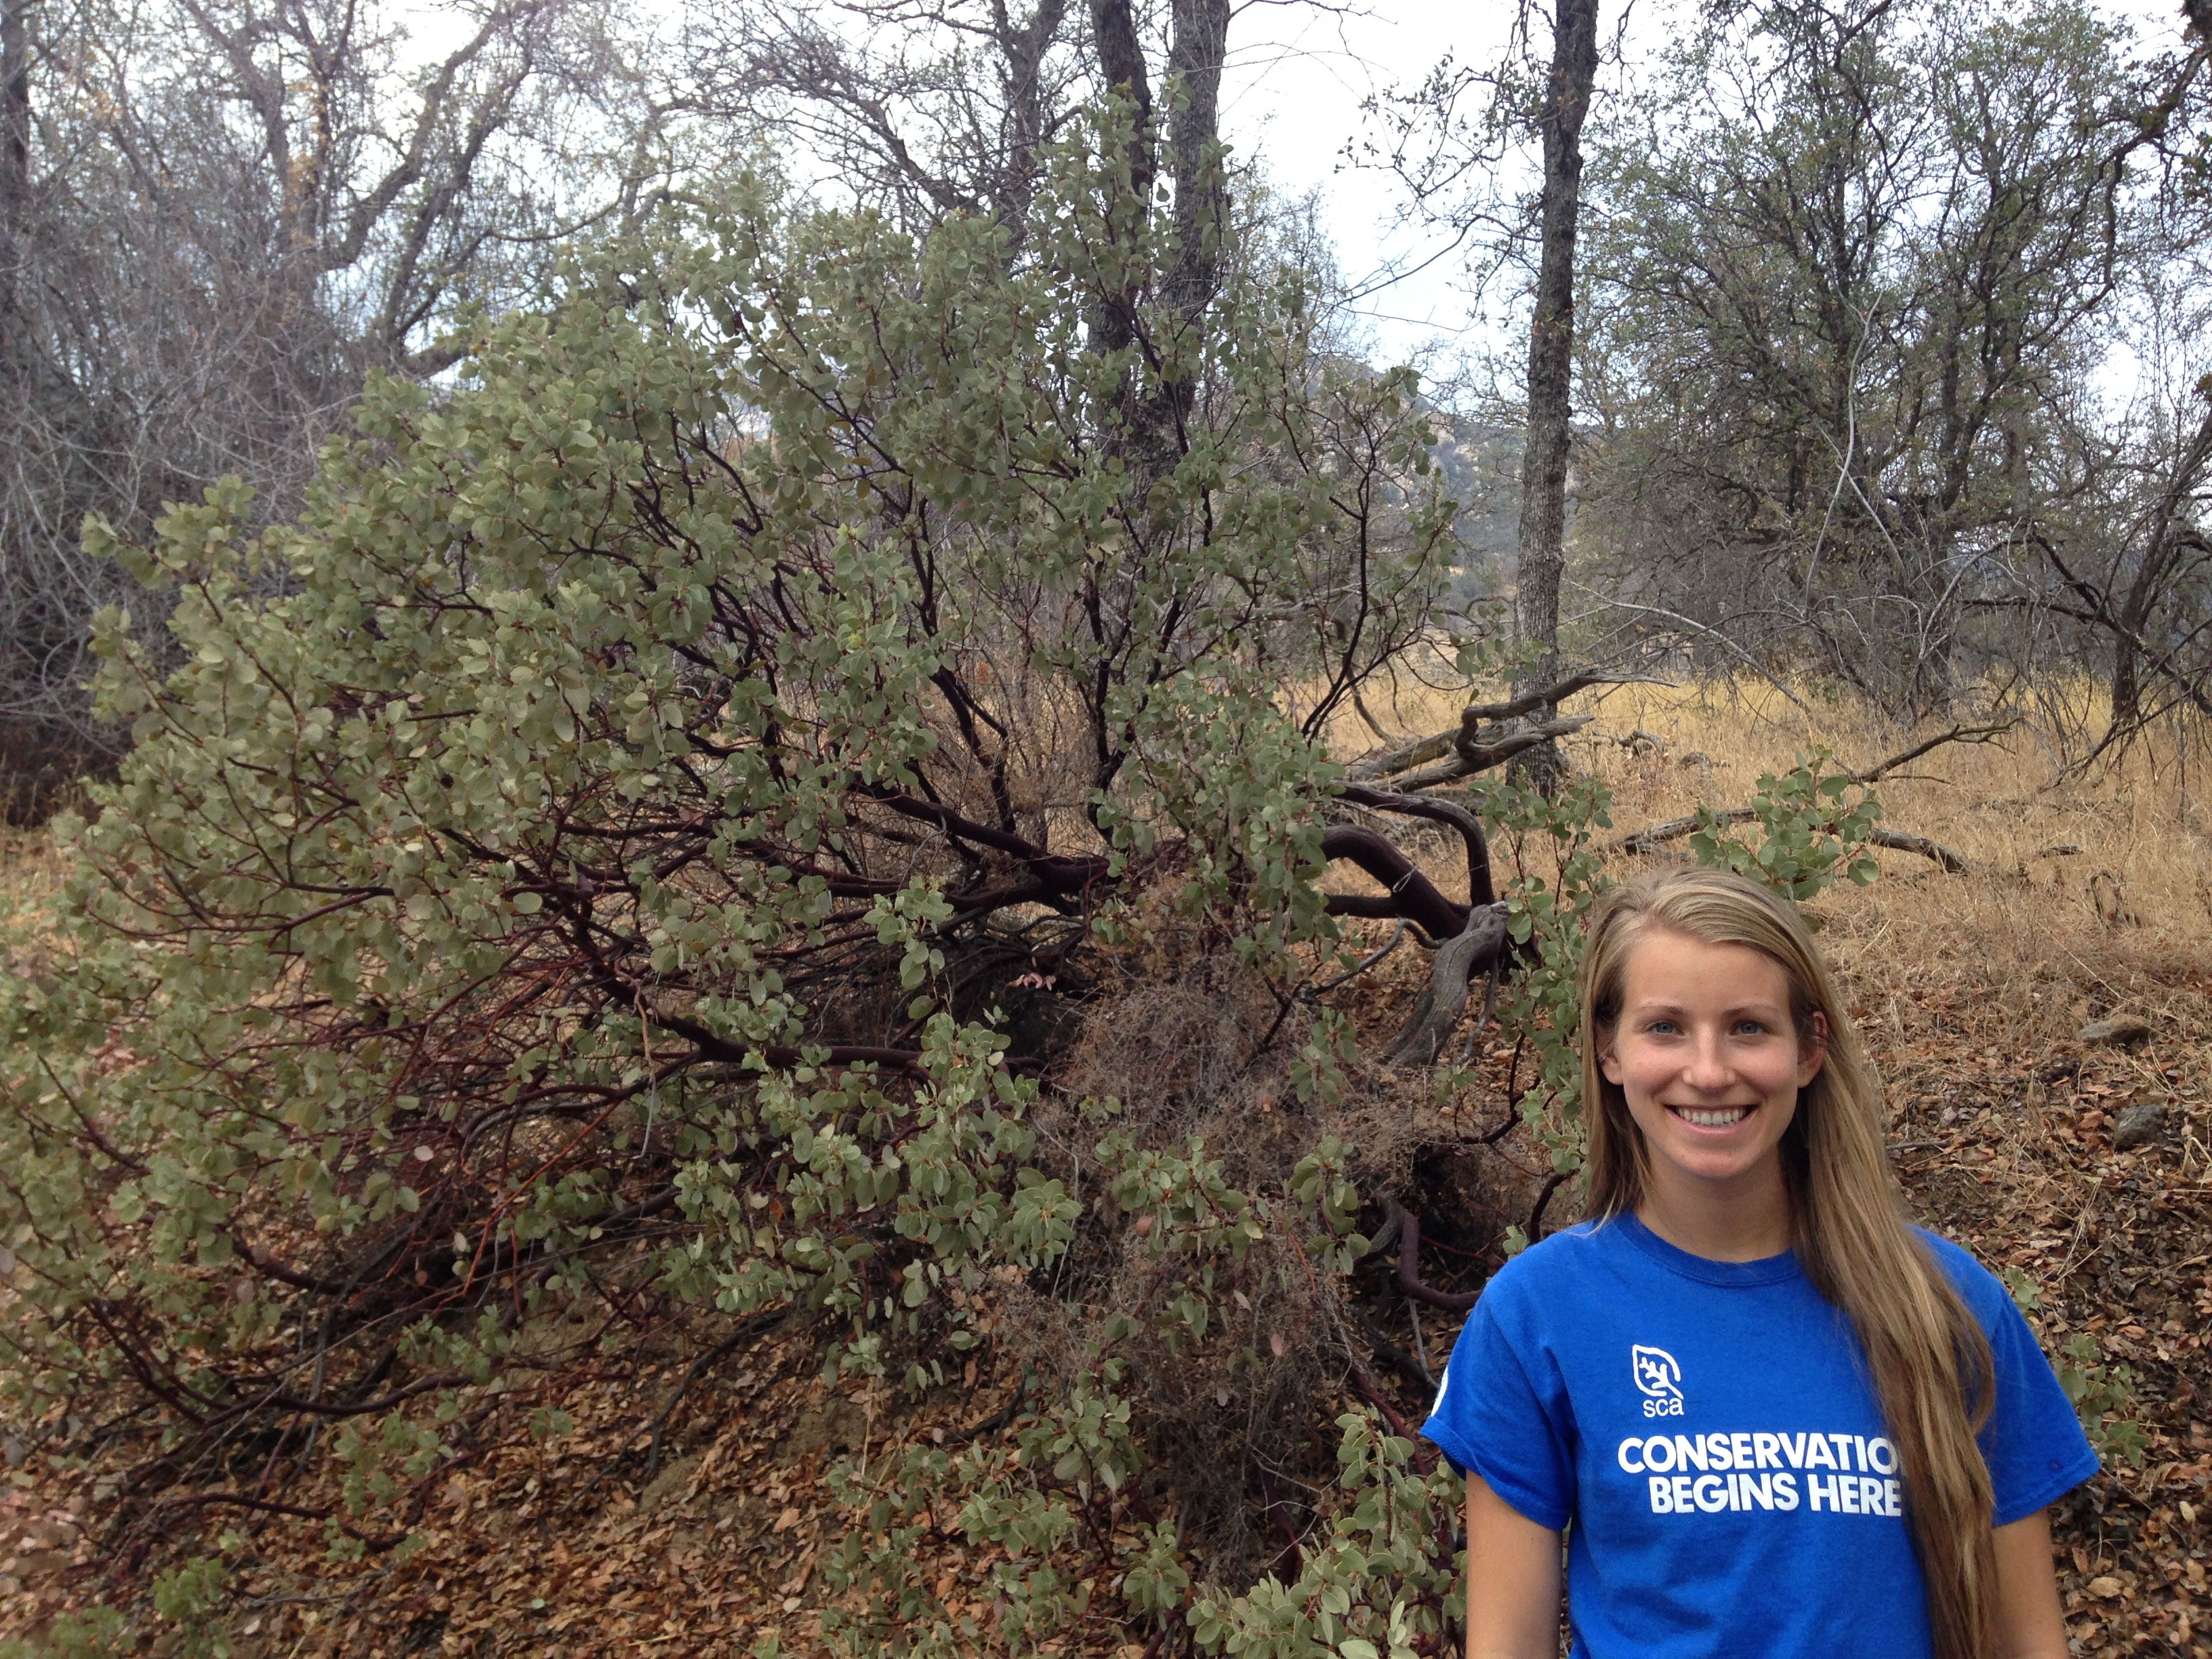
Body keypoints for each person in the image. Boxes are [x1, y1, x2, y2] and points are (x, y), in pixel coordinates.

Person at [1421, 865, 2096, 1659]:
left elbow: (2030, 1643)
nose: (1708, 1071)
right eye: (1664, 1027)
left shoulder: (1949, 1307)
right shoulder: (1534, 1316)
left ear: (1810, 1049)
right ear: (1609, 1049)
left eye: (1748, 1027)